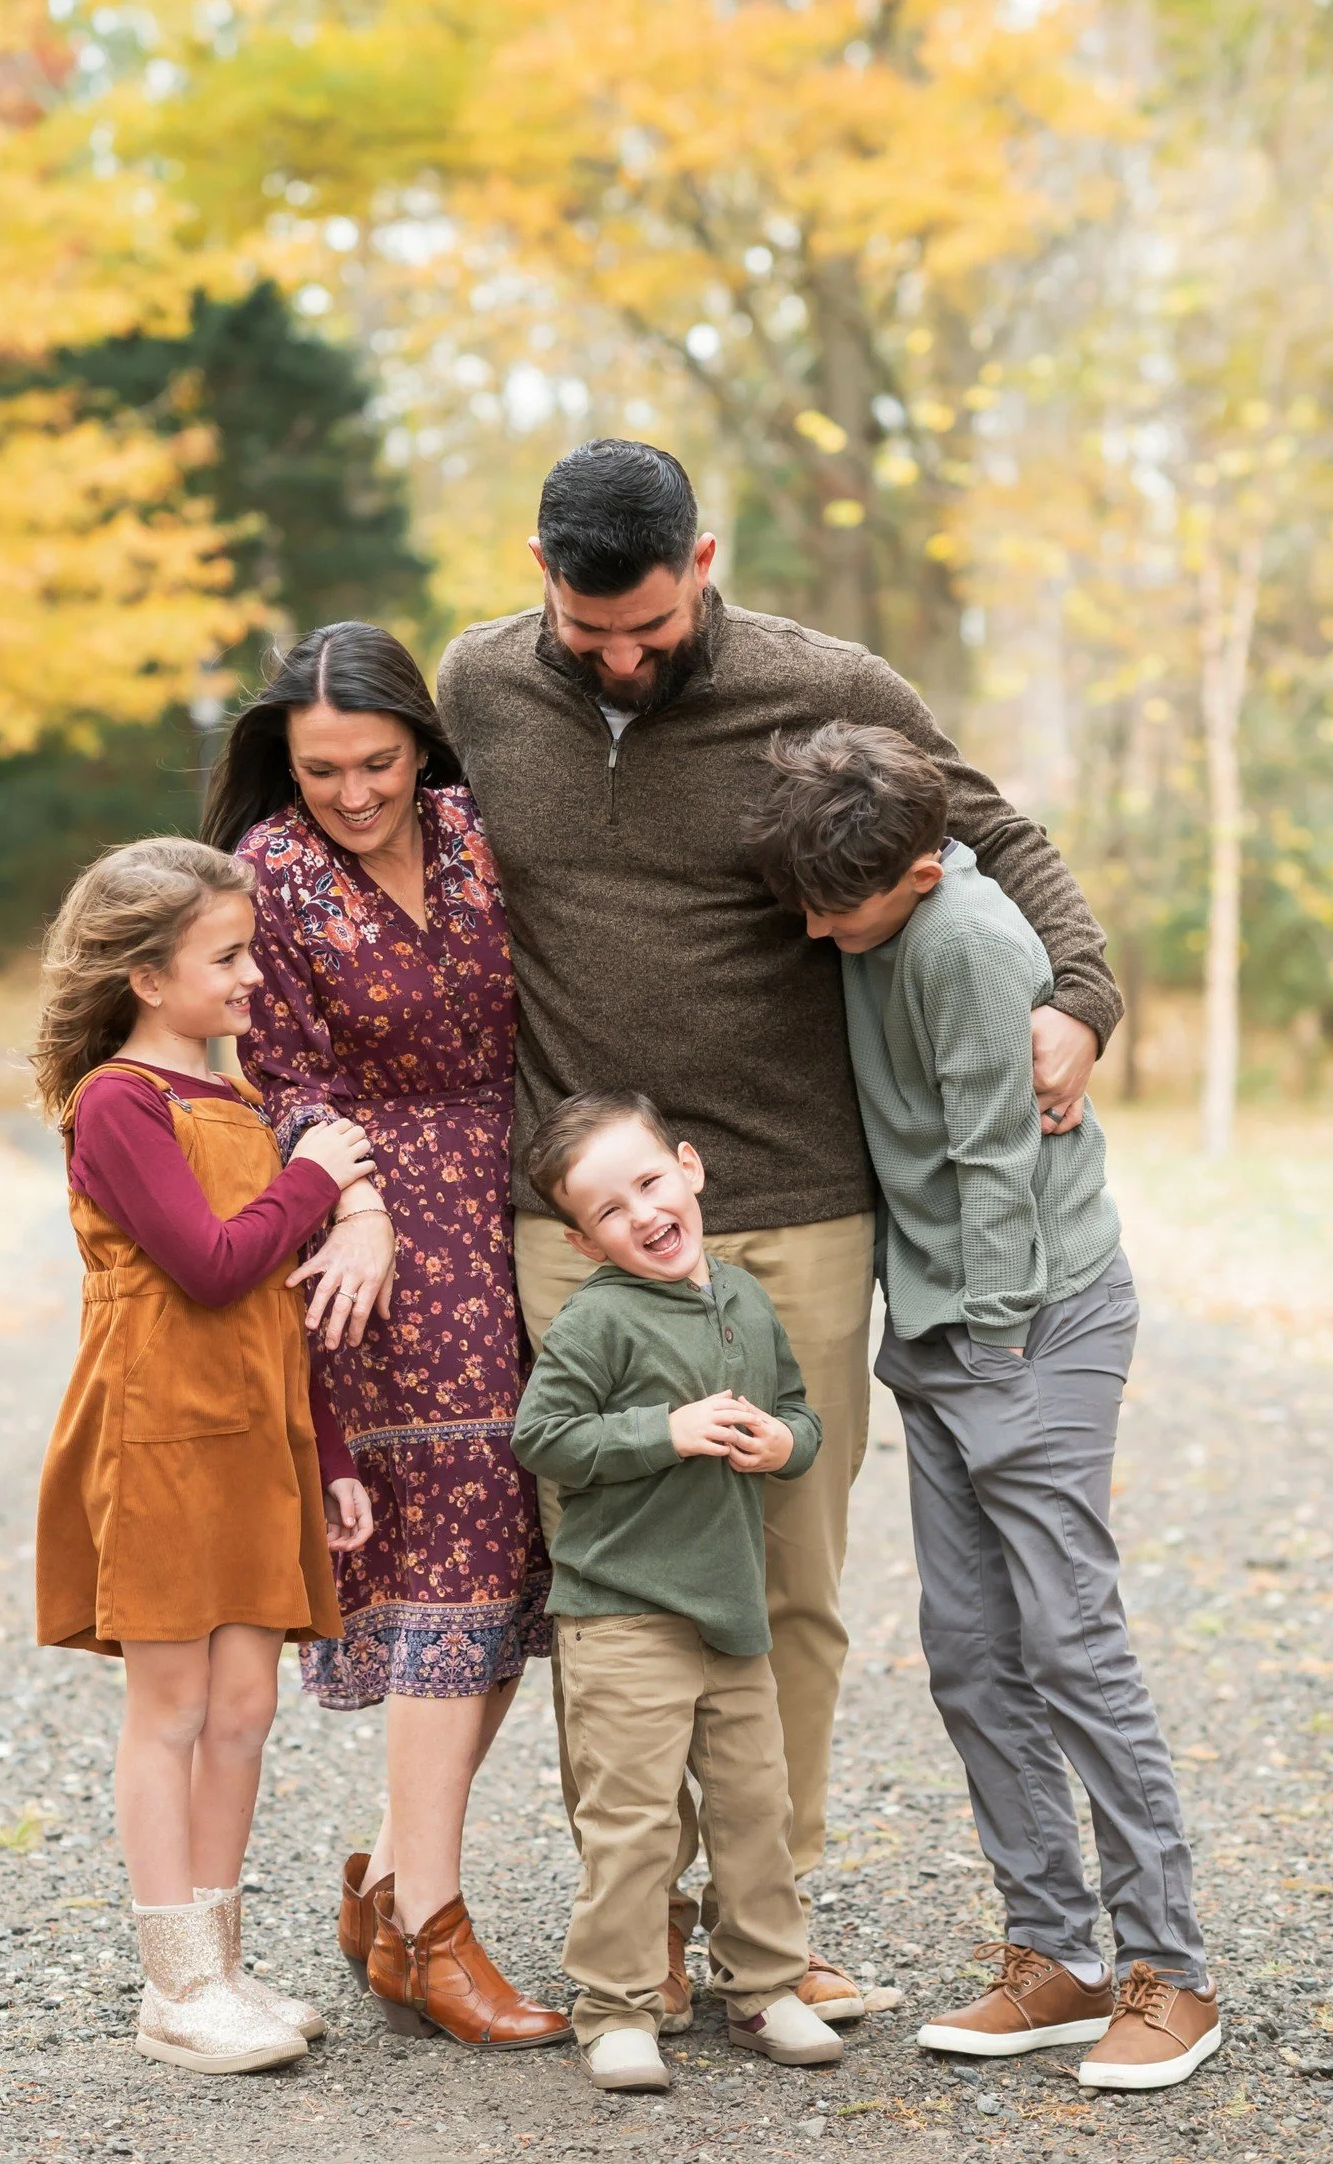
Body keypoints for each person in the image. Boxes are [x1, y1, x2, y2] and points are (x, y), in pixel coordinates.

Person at [435, 436, 1126, 2019]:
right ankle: (641, 1928)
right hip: (582, 1212)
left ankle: (767, 1918)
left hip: (798, 1202)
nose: (622, 656)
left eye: (651, 625)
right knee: (605, 1576)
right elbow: (353, 808)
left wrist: (1082, 996)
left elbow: (998, 835)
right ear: (539, 572)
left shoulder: (831, 686)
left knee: (787, 1578)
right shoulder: (476, 687)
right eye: (590, 629)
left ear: (707, 553)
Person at [744, 721, 1221, 2094]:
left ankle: (1172, 1971)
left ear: (919, 870)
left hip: (1029, 1328)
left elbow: (994, 1166)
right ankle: (1053, 1953)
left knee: (1071, 1642)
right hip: (948, 1331)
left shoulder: (964, 946)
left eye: (841, 906)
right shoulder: (874, 918)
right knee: (967, 1649)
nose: (819, 929)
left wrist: (992, 1350)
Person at [202, 621, 568, 2051]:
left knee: (514, 1558)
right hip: (386, 1248)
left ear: (423, 741)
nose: (351, 794)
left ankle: (392, 1878)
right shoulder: (270, 875)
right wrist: (350, 1205)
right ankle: (429, 1927)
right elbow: (279, 1071)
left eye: (376, 762)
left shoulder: (487, 832)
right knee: (449, 1557)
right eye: (319, 771)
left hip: (526, 1202)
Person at [33, 837, 378, 2075]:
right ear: (144, 974)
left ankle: (221, 1970)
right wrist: (312, 1177)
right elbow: (213, 1262)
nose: (251, 979)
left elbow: (278, 1302)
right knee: (172, 1707)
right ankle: (175, 1986)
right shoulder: (121, 1103)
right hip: (162, 1436)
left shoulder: (231, 1098)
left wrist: (329, 1451)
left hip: (256, 1438)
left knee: (246, 1705)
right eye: (226, 957)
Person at [512, 1089, 843, 2092]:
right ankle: (616, 2004)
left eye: (651, 1182)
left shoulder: (742, 1298)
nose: (644, 1214)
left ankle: (763, 1986)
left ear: (690, 1168)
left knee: (754, 1805)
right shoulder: (597, 1319)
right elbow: (543, 1437)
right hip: (622, 1614)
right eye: (610, 1210)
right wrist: (664, 1430)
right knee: (634, 1818)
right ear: (580, 1238)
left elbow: (796, 1413)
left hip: (731, 1609)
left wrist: (788, 1443)